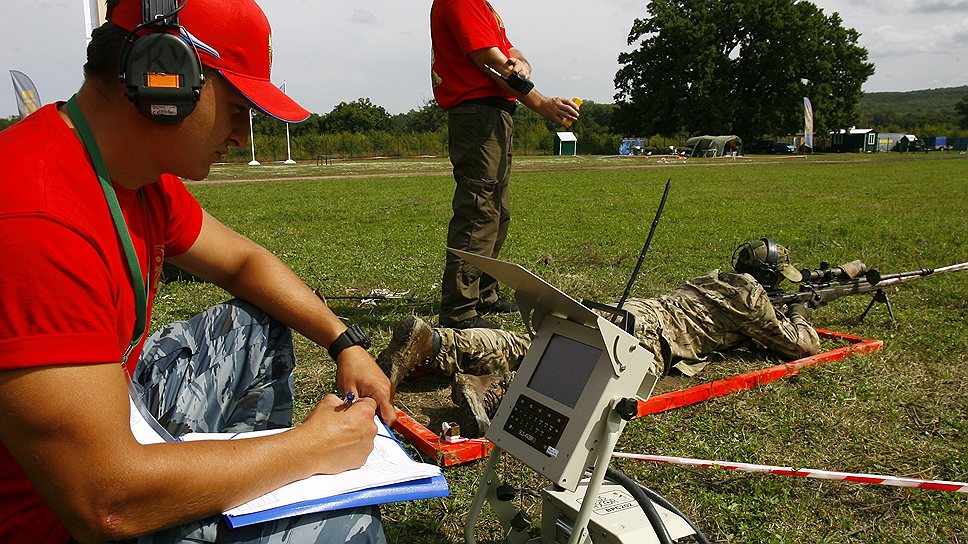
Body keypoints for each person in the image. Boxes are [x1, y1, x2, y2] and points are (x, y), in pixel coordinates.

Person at [0, 1, 394, 542]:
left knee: (256, 324)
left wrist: (344, 340)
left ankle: (243, 493)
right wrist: (311, 449)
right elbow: (104, 503)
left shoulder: (136, 180)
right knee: (344, 528)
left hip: (107, 432)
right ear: (164, 77)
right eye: (237, 107)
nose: (240, 134)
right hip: (52, 515)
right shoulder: (36, 217)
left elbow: (243, 262)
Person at [378, 239, 822, 437]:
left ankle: (437, 343)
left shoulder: (715, 279)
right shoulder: (750, 296)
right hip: (651, 338)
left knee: (536, 344)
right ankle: (492, 393)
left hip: (627, 312)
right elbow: (799, 345)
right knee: (588, 374)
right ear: (767, 278)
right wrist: (799, 309)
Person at [431, 0, 582, 329]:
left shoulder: (483, 7)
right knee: (479, 209)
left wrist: (522, 62)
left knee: (498, 210)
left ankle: (484, 293)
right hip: (478, 114)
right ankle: (459, 311)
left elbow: (507, 50)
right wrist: (540, 102)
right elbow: (490, 62)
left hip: (494, 113)